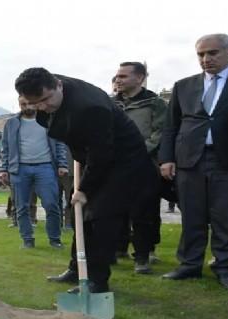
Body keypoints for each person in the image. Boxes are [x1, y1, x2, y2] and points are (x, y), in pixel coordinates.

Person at [13, 67, 158, 293]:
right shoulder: (50, 89)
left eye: (45, 100)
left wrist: (82, 189)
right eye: (34, 104)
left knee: (101, 218)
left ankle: (96, 281)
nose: (42, 107)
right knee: (83, 215)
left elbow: (101, 155)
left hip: (122, 161)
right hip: (93, 154)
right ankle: (76, 269)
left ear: (58, 85)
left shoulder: (90, 108)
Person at [159, 34, 228, 290]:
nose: (206, 59)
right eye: (201, 54)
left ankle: (225, 268)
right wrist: (167, 159)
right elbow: (171, 126)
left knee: (226, 217)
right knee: (192, 216)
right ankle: (189, 265)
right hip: (190, 160)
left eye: (213, 53)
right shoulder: (183, 86)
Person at [112, 61, 168, 273]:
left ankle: (142, 257)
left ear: (140, 78)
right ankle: (116, 250)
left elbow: (160, 133)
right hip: (114, 167)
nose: (118, 80)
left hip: (143, 166)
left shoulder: (155, 104)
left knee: (142, 213)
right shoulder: (110, 104)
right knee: (113, 211)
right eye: (117, 76)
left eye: (124, 76)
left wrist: (135, 152)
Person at [0, 96, 68, 250]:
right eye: (23, 104)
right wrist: (3, 169)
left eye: (30, 103)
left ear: (36, 103)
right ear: (19, 104)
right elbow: (5, 148)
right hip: (19, 169)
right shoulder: (11, 123)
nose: (27, 106)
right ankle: (27, 240)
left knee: (51, 204)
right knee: (21, 206)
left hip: (45, 167)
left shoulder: (49, 120)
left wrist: (62, 164)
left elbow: (59, 144)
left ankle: (55, 239)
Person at [58, 144, 74, 231]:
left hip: (69, 170)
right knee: (55, 199)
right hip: (54, 169)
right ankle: (57, 222)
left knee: (69, 198)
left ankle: (69, 222)